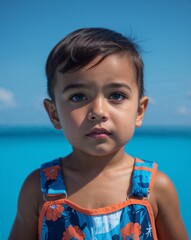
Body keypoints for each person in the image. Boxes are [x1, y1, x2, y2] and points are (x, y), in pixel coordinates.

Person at [9, 28, 188, 240]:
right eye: (78, 97)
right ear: (54, 114)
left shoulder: (156, 188)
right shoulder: (38, 189)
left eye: (116, 95)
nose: (98, 112)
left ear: (139, 111)